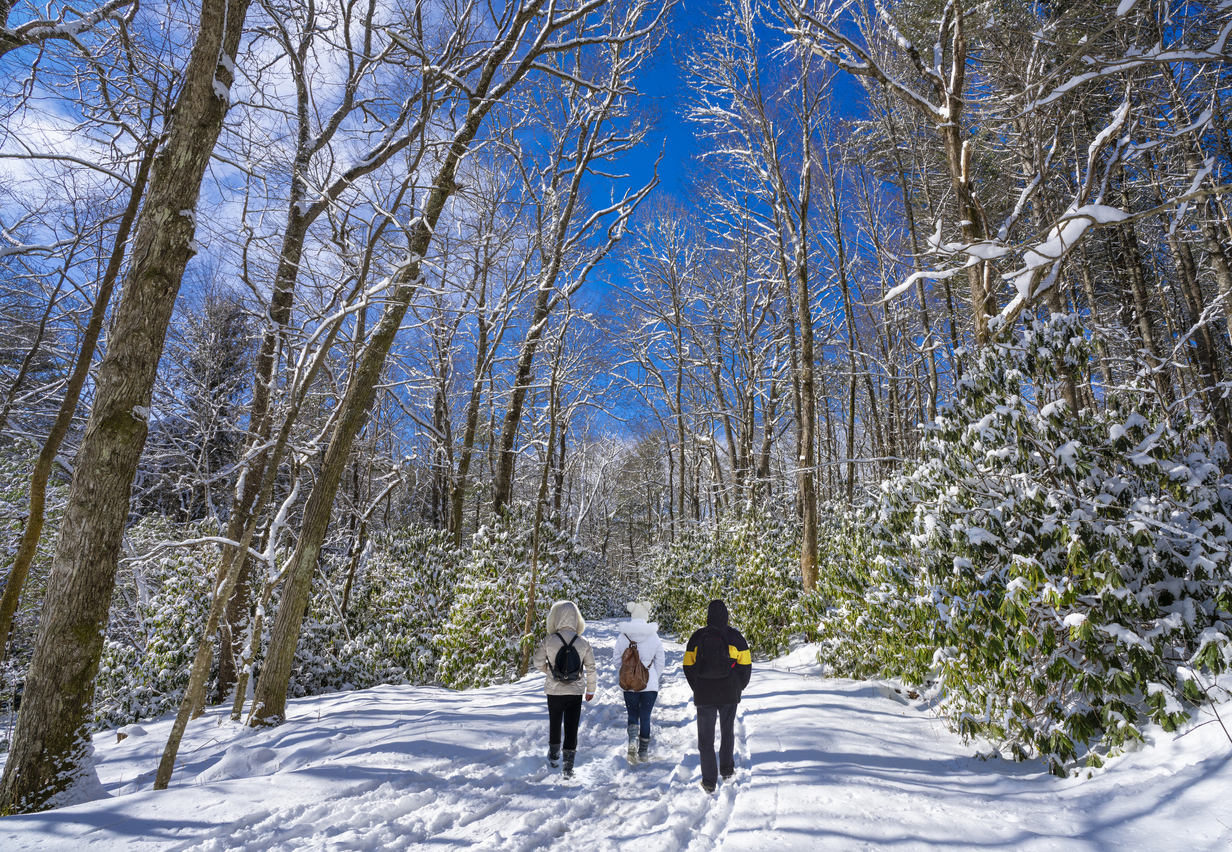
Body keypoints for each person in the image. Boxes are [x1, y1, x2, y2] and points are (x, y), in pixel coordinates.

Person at [683, 599, 751, 793]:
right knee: (727, 732)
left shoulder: (697, 637)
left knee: (705, 739)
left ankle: (709, 781)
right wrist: (739, 686)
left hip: (704, 694)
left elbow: (688, 665)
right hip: (729, 693)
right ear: (726, 615)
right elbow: (746, 666)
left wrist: (697, 686)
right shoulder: (736, 637)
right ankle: (727, 771)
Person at [532, 600, 597, 778]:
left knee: (555, 722)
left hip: (554, 690)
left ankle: (553, 757)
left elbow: (537, 662)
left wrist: (551, 672)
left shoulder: (549, 640)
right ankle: (568, 765)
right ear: (577, 619)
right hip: (575, 691)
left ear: (556, 618)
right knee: (571, 726)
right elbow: (591, 668)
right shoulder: (583, 642)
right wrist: (590, 689)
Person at [614, 601, 666, 764]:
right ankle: (643, 753)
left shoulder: (623, 636)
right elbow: (661, 661)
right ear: (646, 616)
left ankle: (632, 742)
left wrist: (627, 674)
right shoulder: (654, 636)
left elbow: (617, 660)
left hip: (629, 684)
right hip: (649, 686)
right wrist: (651, 677)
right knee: (645, 717)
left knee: (632, 714)